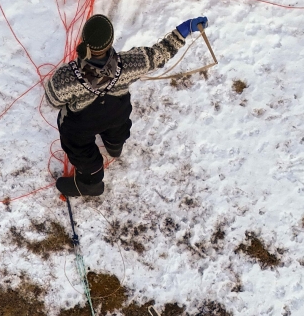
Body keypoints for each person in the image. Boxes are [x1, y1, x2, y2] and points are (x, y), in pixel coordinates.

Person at [44, 13, 208, 197]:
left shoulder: (65, 77)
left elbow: (53, 100)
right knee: (117, 128)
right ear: (110, 42)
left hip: (82, 123)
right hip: (116, 113)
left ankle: (90, 183)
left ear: (83, 42)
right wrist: (182, 32)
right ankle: (115, 145)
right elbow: (159, 54)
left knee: (79, 146)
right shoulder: (130, 63)